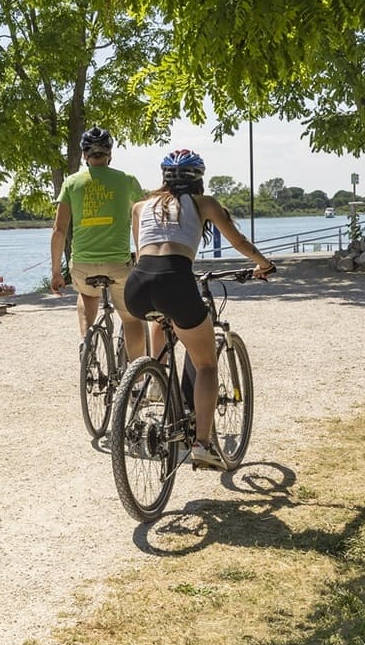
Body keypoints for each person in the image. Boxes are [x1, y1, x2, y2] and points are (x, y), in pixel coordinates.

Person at [126, 149, 275, 469]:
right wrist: (263, 264)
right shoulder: (204, 204)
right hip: (175, 282)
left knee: (160, 316)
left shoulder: (140, 206)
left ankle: (156, 376)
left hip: (137, 287)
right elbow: (237, 242)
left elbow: (143, 256)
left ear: (164, 177)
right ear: (199, 179)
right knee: (206, 364)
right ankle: (203, 445)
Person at [50, 126, 147, 360]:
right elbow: (143, 221)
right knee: (131, 318)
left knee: (87, 295)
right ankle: (137, 380)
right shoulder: (127, 180)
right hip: (118, 264)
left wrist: (56, 272)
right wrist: (143, 259)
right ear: (109, 153)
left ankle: (87, 342)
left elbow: (59, 229)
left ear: (84, 155)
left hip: (83, 264)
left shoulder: (72, 183)